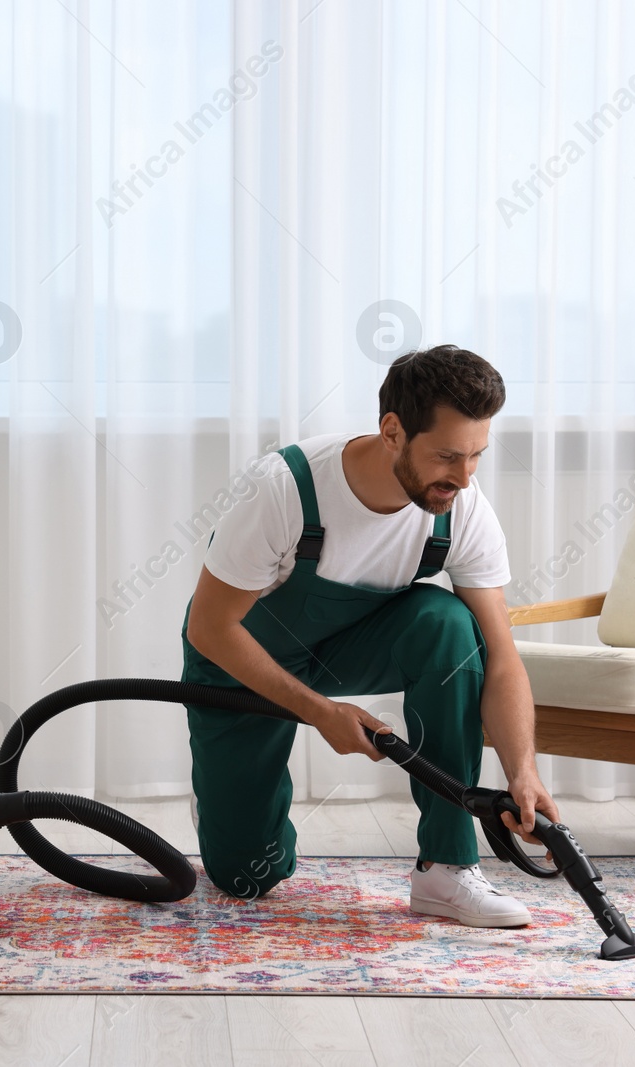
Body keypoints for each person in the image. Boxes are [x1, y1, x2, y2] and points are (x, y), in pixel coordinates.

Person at [179, 344, 558, 927]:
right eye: (447, 456)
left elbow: (502, 661)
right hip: (241, 662)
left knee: (450, 627)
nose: (462, 477)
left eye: (477, 456)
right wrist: (320, 712)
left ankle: (447, 870)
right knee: (249, 875)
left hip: (349, 648)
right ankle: (232, 813)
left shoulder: (460, 509)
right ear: (392, 431)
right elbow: (210, 627)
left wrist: (522, 773)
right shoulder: (284, 488)